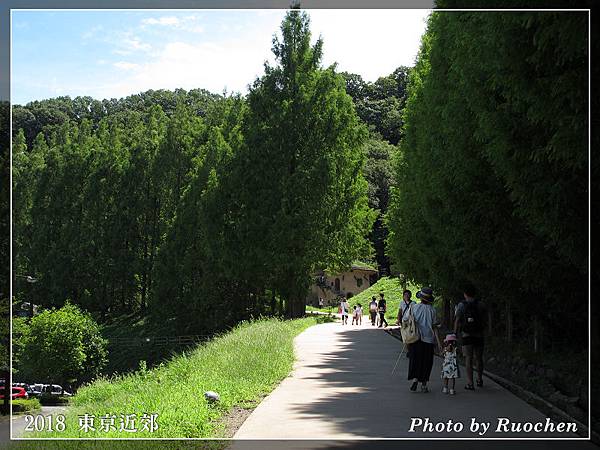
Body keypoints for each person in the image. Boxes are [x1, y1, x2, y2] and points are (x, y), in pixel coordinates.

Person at [454, 283, 487, 390]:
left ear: (465, 294)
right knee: (479, 358)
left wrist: (455, 334)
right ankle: (479, 379)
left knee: (468, 358)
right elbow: (485, 319)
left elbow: (457, 320)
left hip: (466, 334)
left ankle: (470, 383)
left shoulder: (461, 305)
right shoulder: (481, 304)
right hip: (479, 334)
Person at [407, 287, 439, 393]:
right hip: (429, 339)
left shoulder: (414, 307)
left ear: (420, 298)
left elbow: (407, 320)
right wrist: (438, 342)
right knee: (427, 362)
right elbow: (434, 327)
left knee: (415, 360)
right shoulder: (433, 310)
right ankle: (424, 384)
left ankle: (415, 379)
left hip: (415, 338)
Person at [396, 289, 415, 357]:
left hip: (411, 322)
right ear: (403, 296)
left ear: (410, 295)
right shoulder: (402, 303)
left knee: (411, 336)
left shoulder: (413, 303)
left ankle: (411, 350)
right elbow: (400, 312)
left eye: (408, 295)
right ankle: (408, 350)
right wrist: (398, 320)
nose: (406, 296)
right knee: (405, 337)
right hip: (404, 322)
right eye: (405, 295)